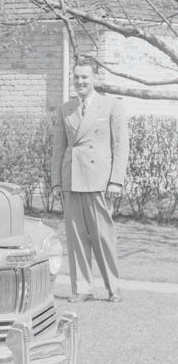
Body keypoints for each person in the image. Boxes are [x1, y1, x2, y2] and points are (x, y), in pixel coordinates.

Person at [51, 56, 129, 302]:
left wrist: (116, 180)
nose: (80, 81)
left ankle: (113, 287)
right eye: (76, 77)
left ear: (95, 78)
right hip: (72, 178)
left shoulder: (111, 106)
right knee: (76, 238)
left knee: (103, 237)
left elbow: (121, 145)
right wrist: (56, 182)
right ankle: (82, 288)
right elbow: (58, 148)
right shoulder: (66, 108)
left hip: (99, 180)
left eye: (85, 77)